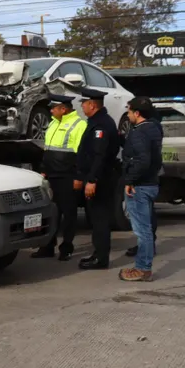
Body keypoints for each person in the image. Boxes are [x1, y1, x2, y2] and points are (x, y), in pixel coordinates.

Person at [31, 94, 86, 260]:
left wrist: (78, 176)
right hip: (52, 176)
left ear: (63, 109)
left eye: (54, 108)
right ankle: (47, 246)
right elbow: (47, 150)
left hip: (67, 176)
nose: (51, 110)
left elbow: (82, 154)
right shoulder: (54, 122)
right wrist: (43, 170)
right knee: (50, 213)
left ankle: (66, 248)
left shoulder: (79, 124)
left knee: (68, 214)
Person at [75, 87, 121, 270]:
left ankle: (101, 258)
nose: (82, 107)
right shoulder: (97, 121)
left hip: (101, 179)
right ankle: (98, 253)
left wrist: (92, 180)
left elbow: (99, 155)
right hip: (99, 177)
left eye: (84, 104)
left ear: (92, 105)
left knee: (100, 219)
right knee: (95, 219)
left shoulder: (101, 125)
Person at [119, 96, 163, 282]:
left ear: (137, 113)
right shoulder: (155, 128)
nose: (128, 115)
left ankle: (143, 269)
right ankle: (143, 266)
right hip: (151, 183)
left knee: (142, 231)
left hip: (140, 186)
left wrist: (129, 180)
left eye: (129, 111)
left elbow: (142, 160)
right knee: (146, 228)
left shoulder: (138, 132)